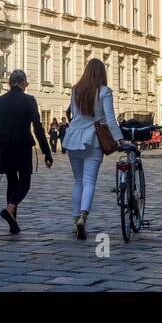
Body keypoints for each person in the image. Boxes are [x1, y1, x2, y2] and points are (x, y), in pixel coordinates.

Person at [61, 57, 124, 240]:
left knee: (78, 181)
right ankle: (83, 216)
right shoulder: (104, 92)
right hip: (93, 140)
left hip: (73, 139)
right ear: (102, 73)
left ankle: (75, 220)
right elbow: (110, 119)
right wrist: (119, 140)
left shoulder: (75, 90)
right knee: (89, 182)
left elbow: (73, 113)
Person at [0, 69, 52, 234]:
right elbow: (38, 128)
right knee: (25, 182)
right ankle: (10, 209)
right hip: (22, 147)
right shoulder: (29, 100)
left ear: (10, 83)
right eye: (26, 83)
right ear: (22, 83)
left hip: (4, 148)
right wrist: (47, 152)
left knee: (11, 182)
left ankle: (12, 223)